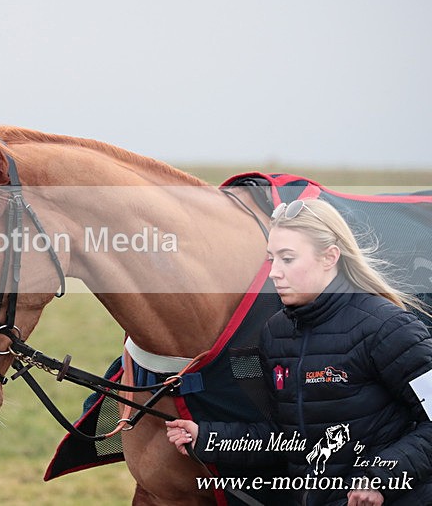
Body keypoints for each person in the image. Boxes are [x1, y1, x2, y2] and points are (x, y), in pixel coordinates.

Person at [166, 198, 432, 506]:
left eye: (288, 259)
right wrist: (207, 438)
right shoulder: (276, 333)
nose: (274, 273)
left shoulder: (387, 327)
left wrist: (380, 479)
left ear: (329, 257)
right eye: (272, 259)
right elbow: (287, 435)